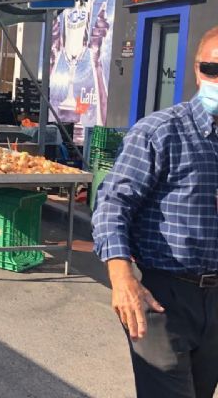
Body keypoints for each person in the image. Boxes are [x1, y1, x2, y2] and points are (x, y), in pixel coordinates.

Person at [92, 26, 218, 398]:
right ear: (197, 71)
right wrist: (122, 278)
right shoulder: (160, 133)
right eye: (213, 69)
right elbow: (112, 202)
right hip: (164, 298)